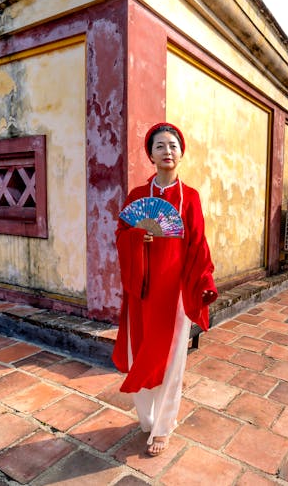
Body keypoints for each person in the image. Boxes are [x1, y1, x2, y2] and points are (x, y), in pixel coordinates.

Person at [113, 122, 218, 457]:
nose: (167, 151)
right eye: (160, 146)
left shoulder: (191, 198)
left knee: (172, 361)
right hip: (141, 290)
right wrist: (136, 238)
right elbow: (120, 235)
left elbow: (198, 245)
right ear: (151, 154)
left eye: (173, 145)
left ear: (181, 152)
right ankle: (146, 419)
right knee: (138, 354)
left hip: (174, 291)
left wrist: (203, 282)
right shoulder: (136, 197)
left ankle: (164, 426)